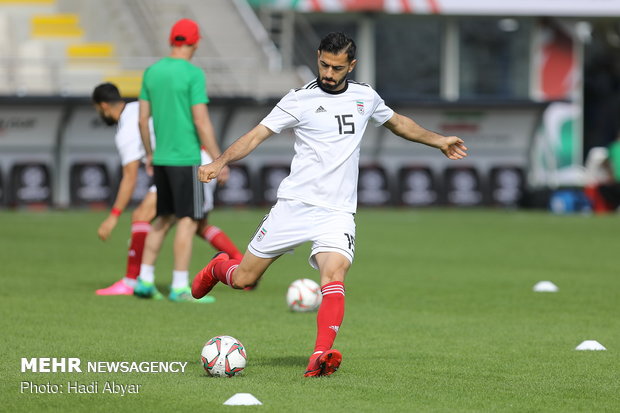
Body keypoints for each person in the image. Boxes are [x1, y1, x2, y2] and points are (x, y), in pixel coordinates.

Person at [191, 32, 468, 376]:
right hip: (294, 206)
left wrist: (439, 140)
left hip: (337, 212)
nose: (329, 73)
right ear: (318, 56)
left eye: (337, 67)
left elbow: (399, 124)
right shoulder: (299, 99)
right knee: (244, 279)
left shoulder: (365, 97)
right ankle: (219, 267)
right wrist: (220, 162)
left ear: (351, 65)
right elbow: (256, 135)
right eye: (324, 64)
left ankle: (320, 355)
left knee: (334, 274)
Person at [91, 83, 243, 299]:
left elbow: (130, 176)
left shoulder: (126, 130)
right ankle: (141, 281)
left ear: (103, 105)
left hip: (190, 164)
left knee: (188, 222)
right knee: (180, 221)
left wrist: (113, 216)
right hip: (182, 162)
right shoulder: (137, 107)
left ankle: (155, 283)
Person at [134, 18, 236, 302]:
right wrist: (219, 159)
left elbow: (143, 120)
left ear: (172, 41)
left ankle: (144, 280)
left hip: (162, 158)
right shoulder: (193, 74)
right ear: (196, 42)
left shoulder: (151, 72)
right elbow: (201, 120)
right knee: (189, 221)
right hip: (186, 158)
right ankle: (180, 286)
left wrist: (149, 154)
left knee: (162, 219)